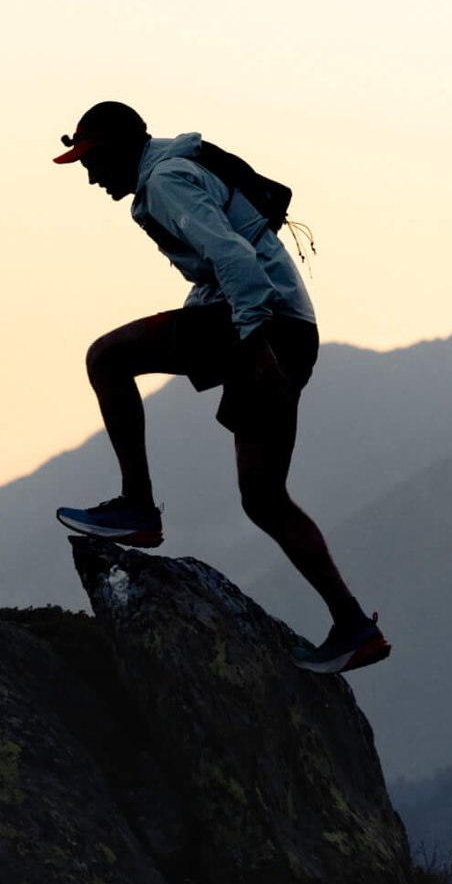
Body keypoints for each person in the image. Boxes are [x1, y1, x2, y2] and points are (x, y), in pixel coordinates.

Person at [46, 98, 388, 675]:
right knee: (263, 497)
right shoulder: (179, 169)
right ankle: (354, 627)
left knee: (106, 358)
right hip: (291, 329)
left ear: (122, 149)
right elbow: (228, 259)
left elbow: (233, 257)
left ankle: (137, 507)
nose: (91, 176)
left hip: (261, 326)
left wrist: (254, 344)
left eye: (93, 160)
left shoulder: (166, 181)